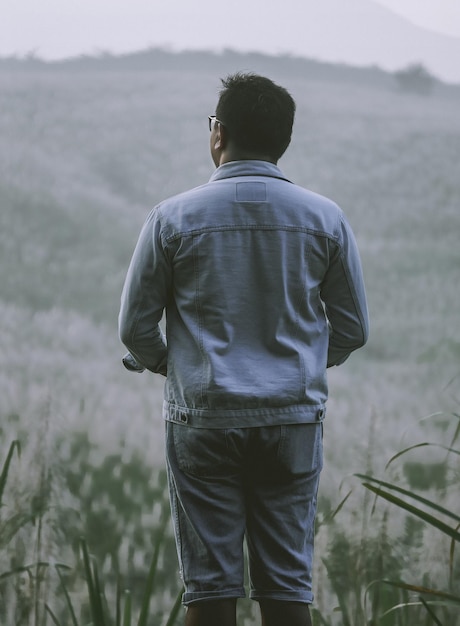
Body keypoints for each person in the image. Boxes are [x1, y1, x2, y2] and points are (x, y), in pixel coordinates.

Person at [119, 72, 369, 626]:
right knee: (287, 588)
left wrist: (170, 364)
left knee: (208, 591)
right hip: (292, 419)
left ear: (219, 134)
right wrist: (301, 362)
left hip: (204, 419)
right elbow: (351, 329)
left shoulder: (172, 218)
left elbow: (135, 328)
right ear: (283, 140)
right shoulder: (325, 219)